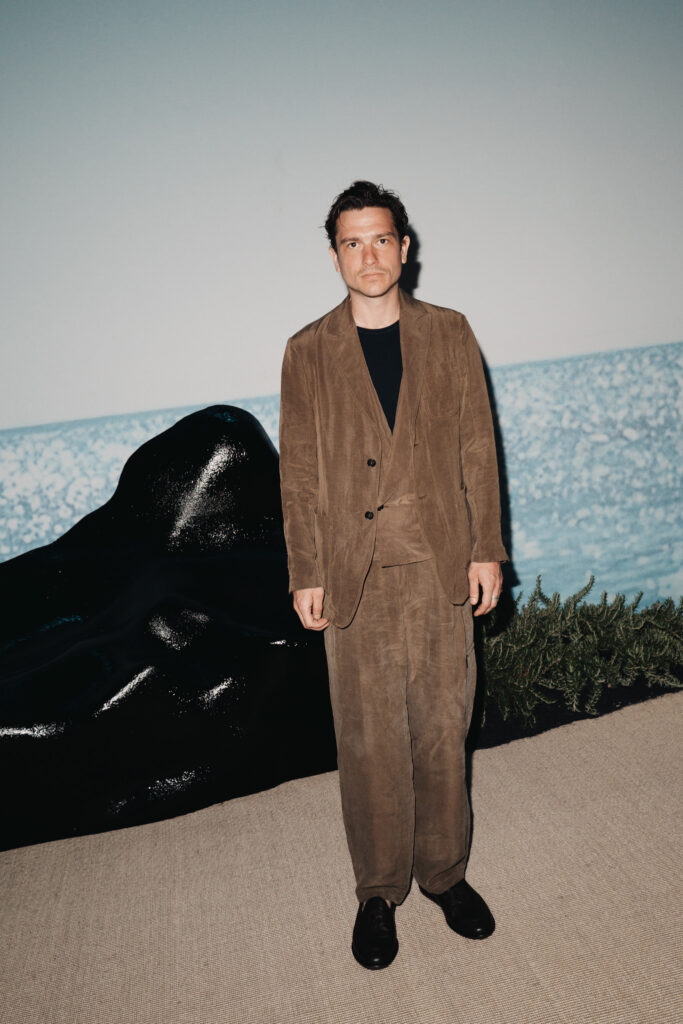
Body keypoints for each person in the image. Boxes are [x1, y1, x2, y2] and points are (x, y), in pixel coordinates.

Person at [278, 181, 508, 970]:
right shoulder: (306, 351)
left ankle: (445, 874)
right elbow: (298, 473)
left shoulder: (450, 332)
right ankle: (377, 892)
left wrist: (486, 548)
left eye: (381, 239)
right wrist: (305, 569)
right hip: (355, 573)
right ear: (334, 255)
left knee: (443, 727)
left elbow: (477, 446)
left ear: (403, 248)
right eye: (353, 242)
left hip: (439, 561)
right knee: (369, 738)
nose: (368, 255)